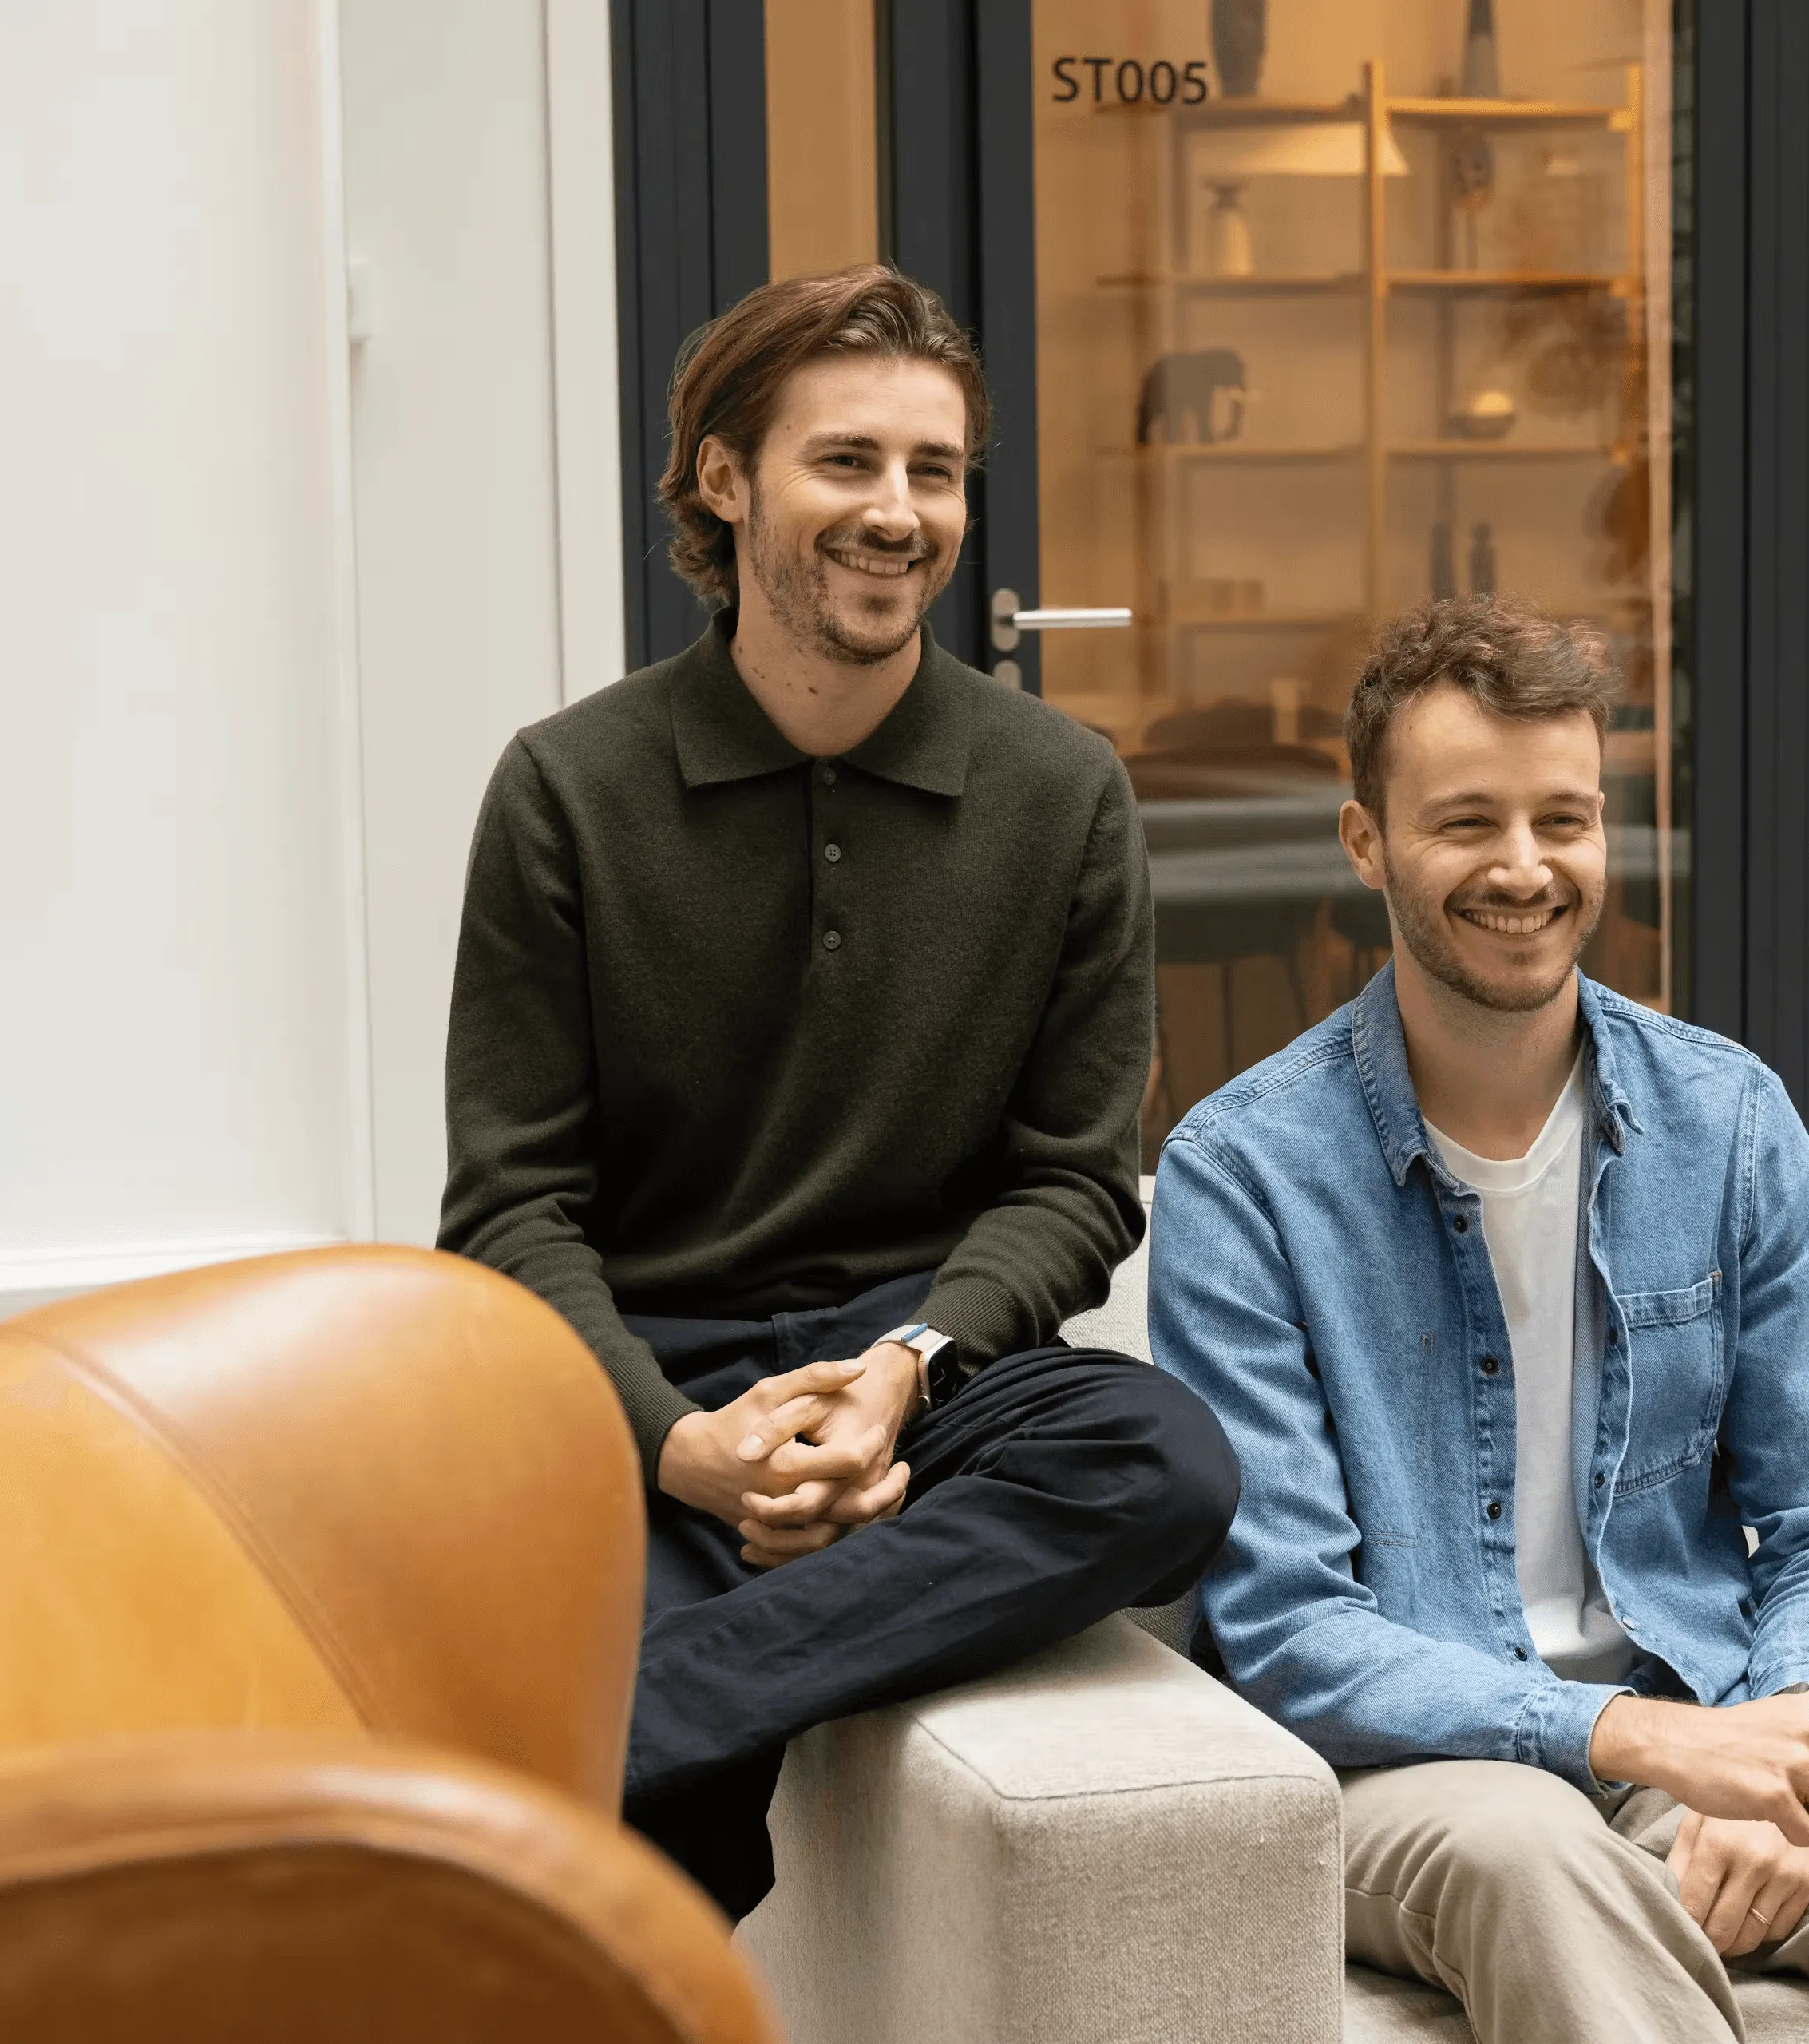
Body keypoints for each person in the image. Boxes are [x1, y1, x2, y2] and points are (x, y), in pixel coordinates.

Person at [1147, 595, 1809, 2042]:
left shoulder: (1726, 1118)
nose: (1523, 867)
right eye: (1467, 822)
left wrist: (1795, 1750)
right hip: (1414, 1771)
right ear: (1365, 843)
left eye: (1564, 818)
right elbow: (1293, 1630)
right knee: (1539, 1862)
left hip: (1701, 1715)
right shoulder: (1242, 1174)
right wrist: (1644, 1739)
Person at [440, 264, 1238, 1920]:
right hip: (652, 1372)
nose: (898, 513)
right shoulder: (566, 789)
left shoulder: (1064, 791)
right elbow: (511, 1206)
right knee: (647, 1855)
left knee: (1162, 1459)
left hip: (927, 1374)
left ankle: (632, 1719)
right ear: (725, 480)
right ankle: (662, 1751)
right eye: (847, 461)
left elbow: (1079, 1177)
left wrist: (899, 1371)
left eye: (933, 472)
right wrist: (683, 1451)